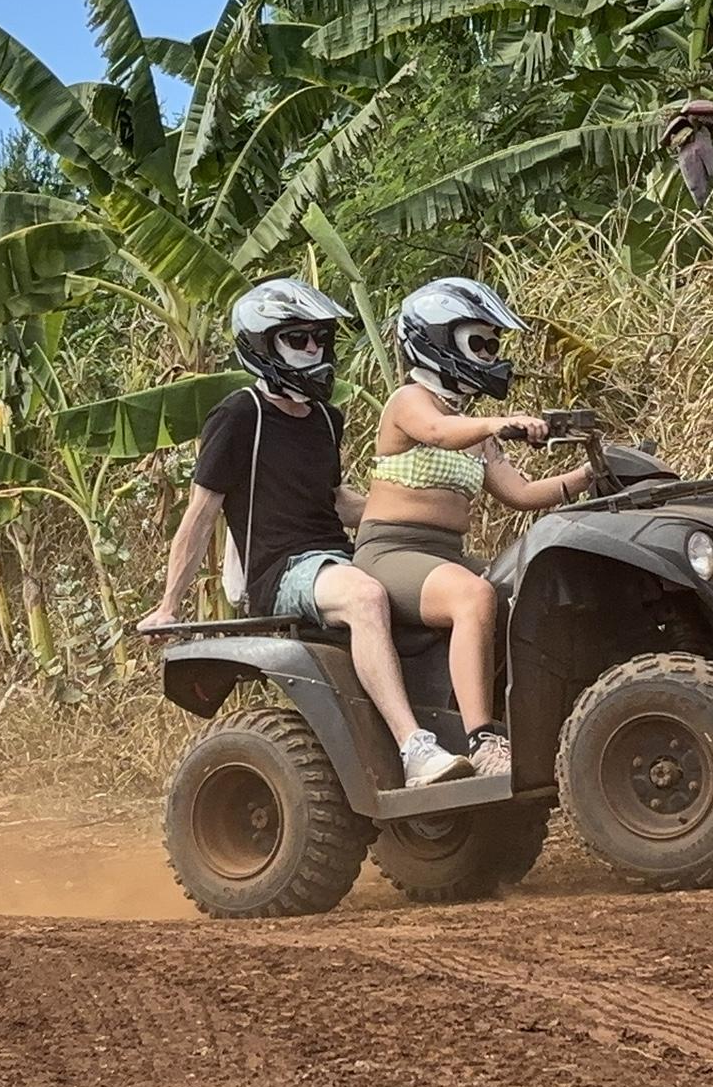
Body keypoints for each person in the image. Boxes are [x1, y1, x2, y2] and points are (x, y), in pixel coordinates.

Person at [138, 278, 472, 789]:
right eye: (298, 340)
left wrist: (420, 499)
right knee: (365, 595)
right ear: (261, 344)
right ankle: (414, 749)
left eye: (318, 339)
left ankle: (472, 734)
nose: (313, 350)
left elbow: (338, 501)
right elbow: (200, 515)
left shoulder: (324, 417)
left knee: (464, 584)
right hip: (282, 569)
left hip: (337, 558)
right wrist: (168, 605)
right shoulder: (238, 415)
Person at [353, 278, 595, 776]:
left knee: (530, 592)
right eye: (478, 344)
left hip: (444, 555)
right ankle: (484, 740)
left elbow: (521, 494)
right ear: (438, 342)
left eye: (492, 345)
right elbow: (439, 433)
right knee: (474, 597)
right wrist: (496, 423)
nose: (489, 355)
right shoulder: (409, 402)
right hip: (390, 554)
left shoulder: (476, 431)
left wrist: (590, 474)